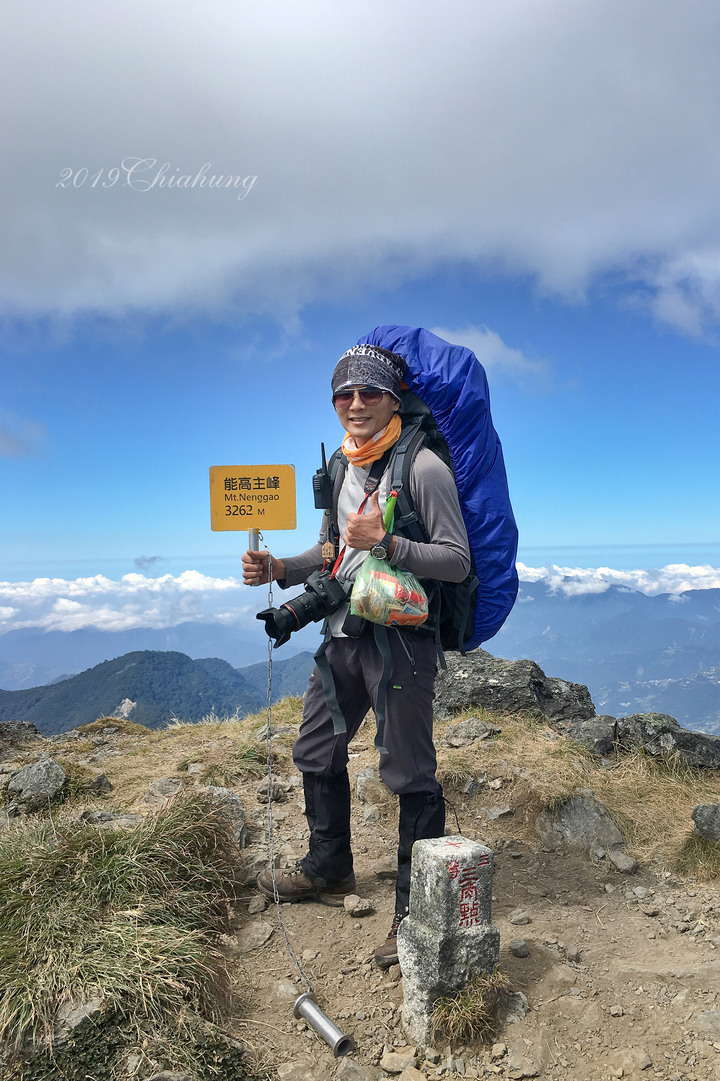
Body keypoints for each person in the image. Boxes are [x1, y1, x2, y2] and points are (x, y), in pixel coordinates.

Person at [242, 343, 470, 968]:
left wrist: (390, 542)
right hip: (343, 632)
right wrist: (279, 568)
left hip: (401, 639)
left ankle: (414, 913)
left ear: (394, 398)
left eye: (370, 392)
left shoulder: (422, 468)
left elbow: (456, 560)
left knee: (407, 771)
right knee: (316, 747)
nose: (356, 403)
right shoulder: (343, 468)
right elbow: (333, 552)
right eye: (344, 394)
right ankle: (329, 866)